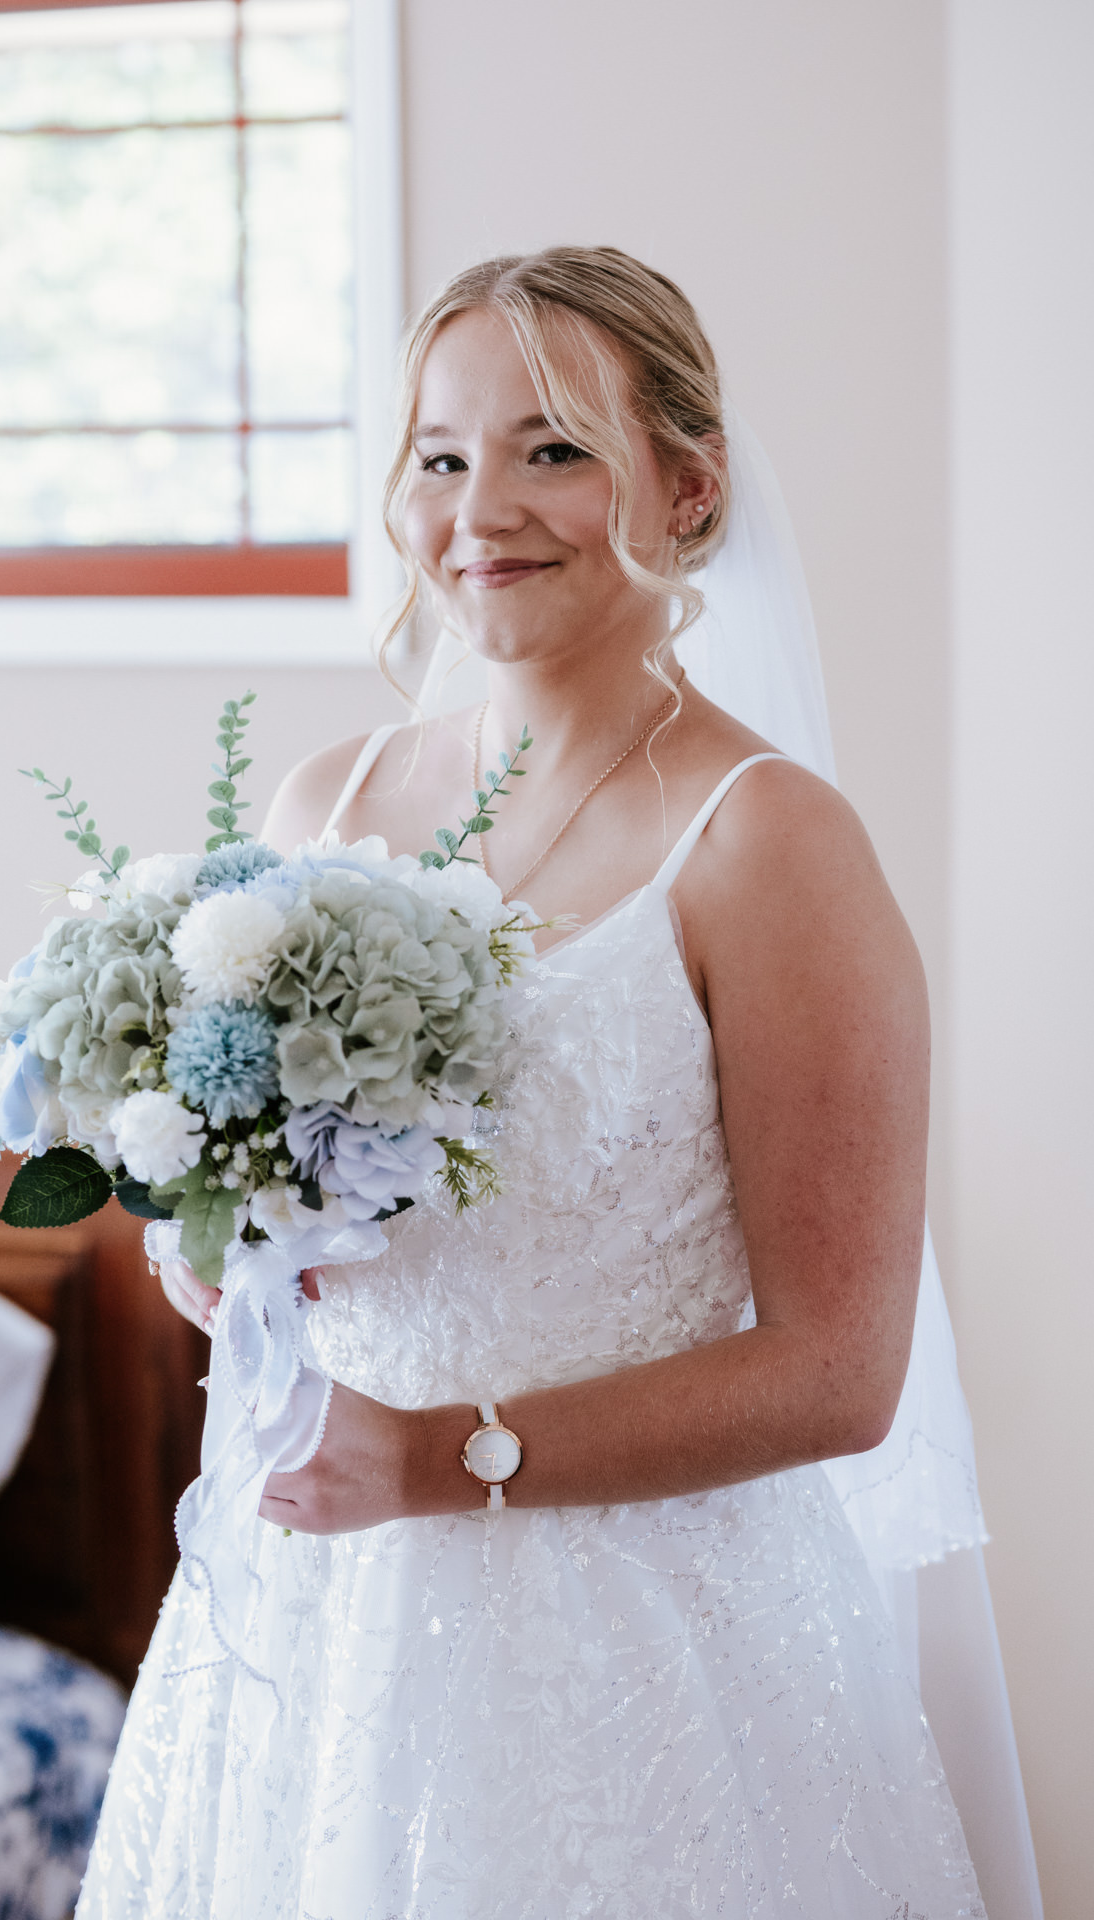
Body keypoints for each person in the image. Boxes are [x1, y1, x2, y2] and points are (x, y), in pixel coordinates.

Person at [77, 248, 1032, 1916]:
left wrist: (440, 1461)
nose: (482, 510)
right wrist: (218, 1246)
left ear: (689, 487)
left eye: (554, 450)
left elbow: (838, 1372)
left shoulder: (766, 842)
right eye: (442, 456)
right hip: (316, 1622)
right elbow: (290, 1200)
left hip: (644, 1656)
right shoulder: (325, 802)